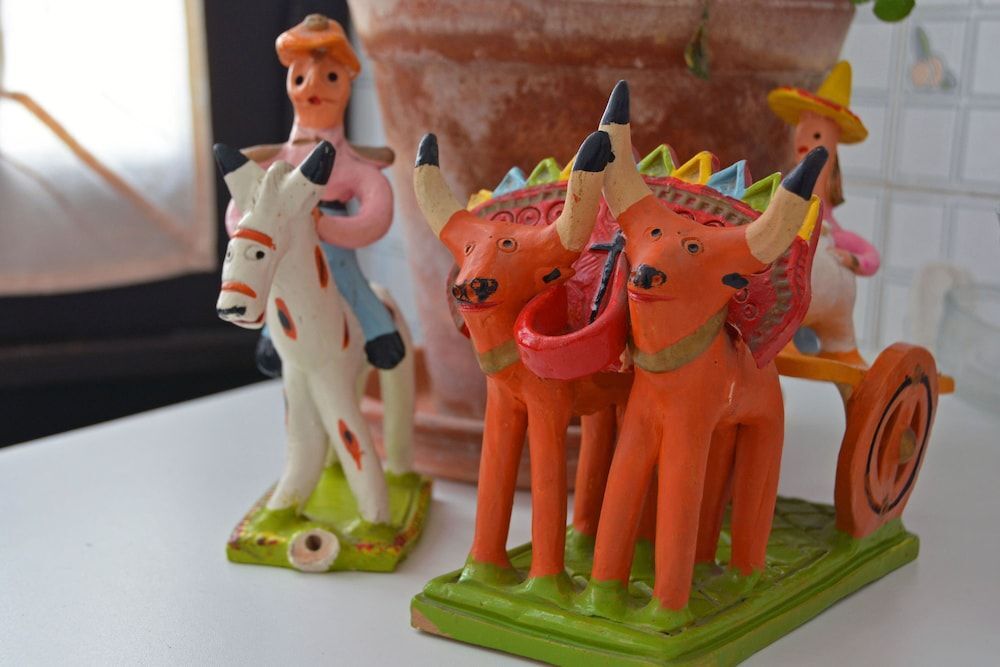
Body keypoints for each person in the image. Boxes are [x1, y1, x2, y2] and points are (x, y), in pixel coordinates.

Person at [224, 14, 404, 376]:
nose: (312, 87)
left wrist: (325, 227)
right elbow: (239, 209)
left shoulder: (353, 163)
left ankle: (378, 330)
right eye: (300, 78)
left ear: (346, 84)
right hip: (285, 241)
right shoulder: (276, 158)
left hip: (331, 239)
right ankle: (272, 334)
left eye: (330, 77)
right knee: (278, 279)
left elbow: (376, 212)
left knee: (342, 272)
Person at [768, 61, 879, 366]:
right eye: (801, 133)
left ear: (831, 145)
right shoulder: (782, 195)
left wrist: (853, 261)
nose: (803, 143)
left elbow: (872, 257)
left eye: (816, 136)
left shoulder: (833, 231)